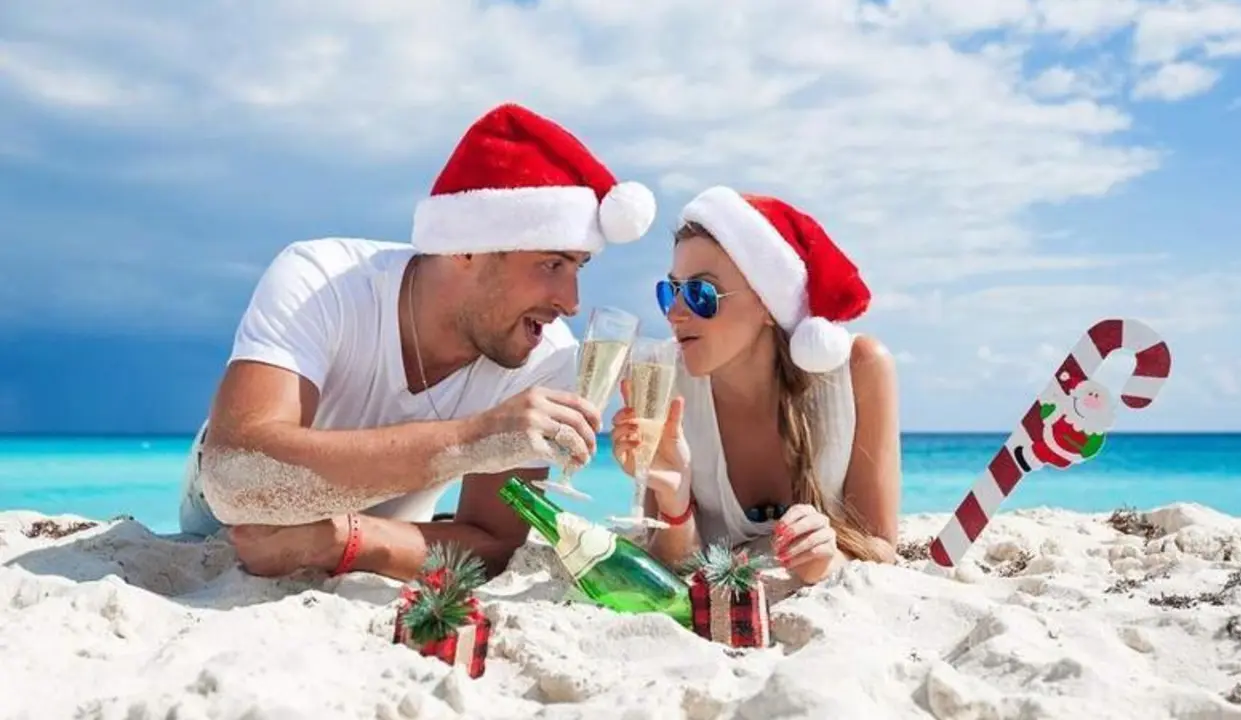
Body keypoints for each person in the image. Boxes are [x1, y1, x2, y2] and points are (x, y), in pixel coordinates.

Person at [179, 102, 657, 581]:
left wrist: (338, 540)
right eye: (552, 264)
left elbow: (491, 544)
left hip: (376, 532)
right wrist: (477, 440)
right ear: (467, 246)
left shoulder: (546, 358)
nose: (571, 303)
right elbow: (233, 478)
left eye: (578, 268)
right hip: (215, 527)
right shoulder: (322, 281)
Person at [609, 186, 901, 585]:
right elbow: (672, 565)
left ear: (768, 302)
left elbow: (881, 546)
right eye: (671, 291)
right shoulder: (662, 378)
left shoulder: (858, 369)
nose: (675, 313)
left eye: (700, 293)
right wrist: (674, 506)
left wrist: (829, 559)